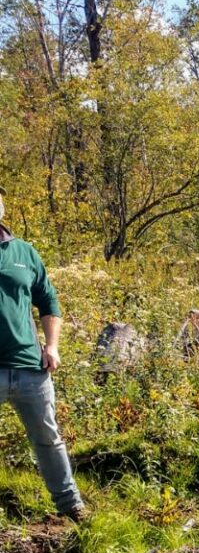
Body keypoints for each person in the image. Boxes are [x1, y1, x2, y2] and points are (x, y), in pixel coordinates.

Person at [0, 189, 85, 522]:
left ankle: (71, 506)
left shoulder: (24, 252)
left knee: (48, 438)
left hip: (29, 367)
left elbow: (49, 301)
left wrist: (52, 346)